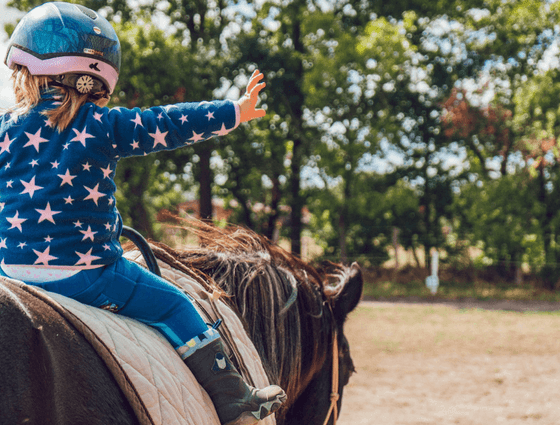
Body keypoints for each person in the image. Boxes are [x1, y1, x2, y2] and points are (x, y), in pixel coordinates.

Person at [1, 2, 286, 425]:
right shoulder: (100, 124)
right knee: (175, 305)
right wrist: (235, 111)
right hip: (89, 274)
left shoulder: (5, 129)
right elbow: (168, 123)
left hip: (12, 273)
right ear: (96, 78)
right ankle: (235, 400)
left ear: (25, 72)